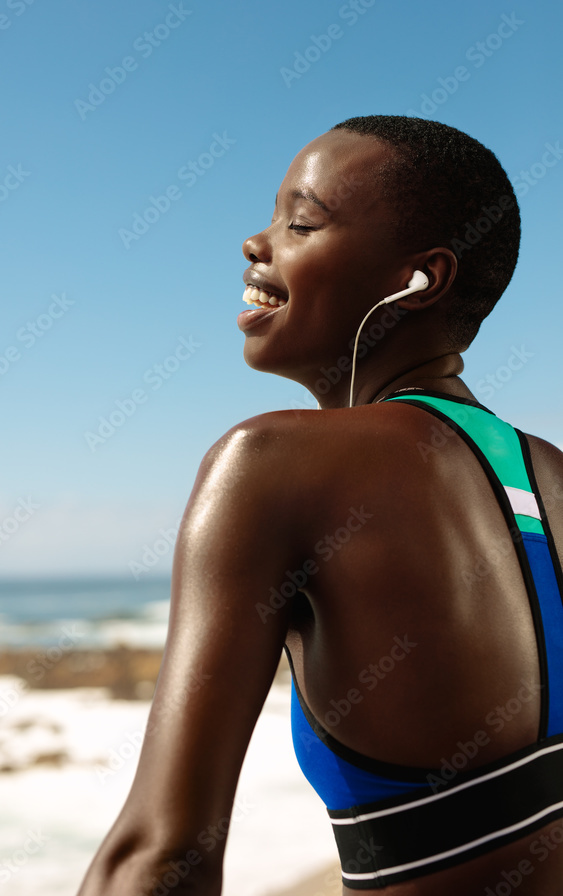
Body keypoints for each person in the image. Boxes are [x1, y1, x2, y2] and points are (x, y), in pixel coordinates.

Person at [76, 116, 563, 895]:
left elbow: (161, 857)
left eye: (300, 221)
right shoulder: (554, 477)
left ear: (420, 280)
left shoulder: (270, 464)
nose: (255, 242)